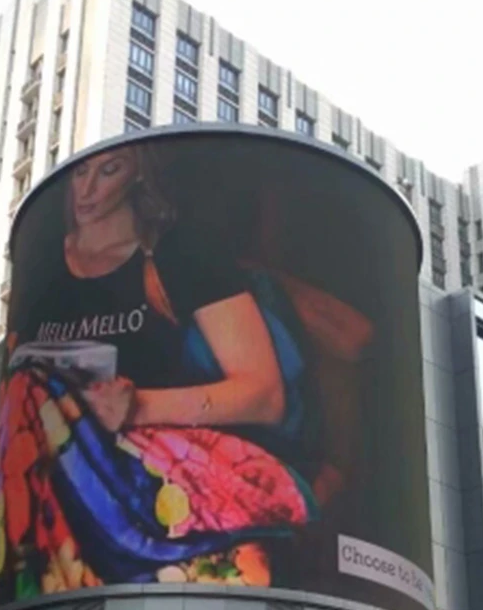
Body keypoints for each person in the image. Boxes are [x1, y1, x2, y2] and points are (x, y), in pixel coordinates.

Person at [15, 142, 288, 437]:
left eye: (110, 170)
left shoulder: (181, 253)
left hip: (159, 453)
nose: (87, 189)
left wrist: (140, 406)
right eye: (81, 172)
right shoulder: (43, 262)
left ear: (138, 173)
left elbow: (265, 397)